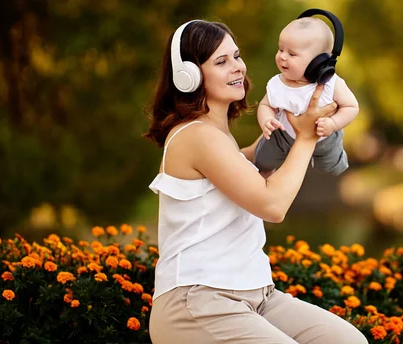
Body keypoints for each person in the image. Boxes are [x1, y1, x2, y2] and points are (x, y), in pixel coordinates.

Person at [144, 19, 367, 344]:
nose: (237, 68)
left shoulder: (219, 139)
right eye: (221, 62)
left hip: (257, 296)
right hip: (197, 301)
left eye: (236, 56)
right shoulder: (196, 136)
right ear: (188, 76)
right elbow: (272, 206)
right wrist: (305, 137)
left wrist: (302, 129)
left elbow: (247, 162)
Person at [254, 9, 359, 176]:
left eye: (292, 53)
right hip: (282, 136)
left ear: (320, 63)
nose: (282, 57)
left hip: (324, 138)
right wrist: (266, 119)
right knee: (262, 160)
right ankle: (263, 171)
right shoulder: (277, 84)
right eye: (281, 49)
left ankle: (339, 169)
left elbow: (351, 107)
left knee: (335, 167)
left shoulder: (332, 84)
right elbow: (266, 105)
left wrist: (333, 124)